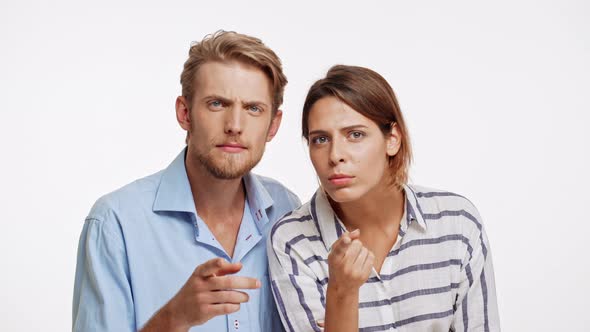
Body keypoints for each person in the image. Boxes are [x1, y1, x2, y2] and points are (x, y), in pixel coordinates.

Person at [72, 30, 300, 332]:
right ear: (185, 113)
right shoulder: (115, 224)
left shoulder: (288, 210)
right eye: (217, 104)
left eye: (253, 109)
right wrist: (174, 318)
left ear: (273, 125)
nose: (235, 126)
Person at [268, 65, 500, 331]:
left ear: (392, 139)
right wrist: (342, 293)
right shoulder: (292, 240)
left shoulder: (457, 223)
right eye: (320, 139)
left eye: (355, 135)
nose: (335, 156)